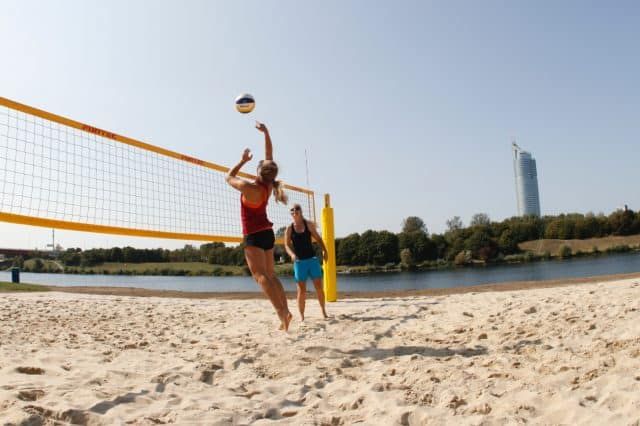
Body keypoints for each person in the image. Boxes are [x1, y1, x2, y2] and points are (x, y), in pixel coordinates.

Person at [225, 122, 293, 331]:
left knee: (260, 276)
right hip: (267, 233)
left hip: (254, 235)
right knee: (271, 275)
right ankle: (286, 310)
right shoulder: (268, 183)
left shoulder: (249, 187)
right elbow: (269, 156)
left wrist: (242, 160)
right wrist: (266, 132)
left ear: (258, 170)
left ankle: (282, 313)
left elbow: (228, 176)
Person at [284, 203, 329, 321]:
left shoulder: (308, 224)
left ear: (300, 211)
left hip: (312, 260)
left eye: (297, 209)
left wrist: (325, 251)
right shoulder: (289, 228)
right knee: (301, 290)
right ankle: (302, 317)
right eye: (292, 210)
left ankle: (323, 311)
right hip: (299, 262)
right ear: (291, 213)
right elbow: (286, 246)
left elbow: (318, 239)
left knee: (319, 287)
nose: (294, 211)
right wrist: (292, 254)